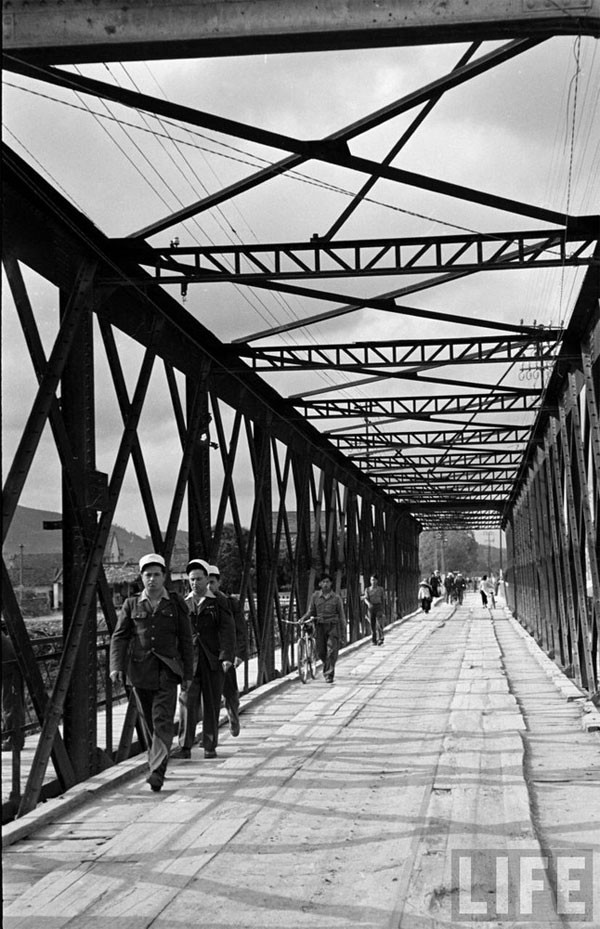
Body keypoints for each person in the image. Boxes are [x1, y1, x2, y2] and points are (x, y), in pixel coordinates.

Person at [109, 553, 194, 792]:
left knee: (162, 720)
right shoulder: (132, 604)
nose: (152, 579)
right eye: (148, 575)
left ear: (164, 577)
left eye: (157, 574)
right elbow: (120, 636)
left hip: (167, 670)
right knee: (148, 722)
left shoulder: (175, 604)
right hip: (140, 671)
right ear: (141, 577)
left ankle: (157, 771)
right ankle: (156, 760)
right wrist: (116, 667)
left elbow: (186, 640)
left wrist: (188, 674)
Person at [173, 559, 235, 759]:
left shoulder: (218, 602)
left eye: (199, 579)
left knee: (211, 703)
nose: (195, 583)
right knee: (186, 703)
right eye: (191, 579)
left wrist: (226, 656)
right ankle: (184, 746)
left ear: (207, 579)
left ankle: (209, 745)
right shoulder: (184, 603)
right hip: (190, 662)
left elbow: (227, 630)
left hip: (212, 660)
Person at [207, 564, 248, 738]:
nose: (208, 587)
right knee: (208, 694)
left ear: (219, 582)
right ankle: (210, 734)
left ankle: (233, 715)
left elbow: (240, 630)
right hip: (206, 654)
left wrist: (239, 654)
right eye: (205, 582)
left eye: (212, 582)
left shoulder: (229, 603)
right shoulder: (194, 602)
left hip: (226, 653)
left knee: (229, 691)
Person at [299, 573, 345, 683]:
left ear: (331, 584)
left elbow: (342, 615)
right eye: (323, 582)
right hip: (319, 626)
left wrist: (343, 632)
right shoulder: (315, 596)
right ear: (320, 584)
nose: (325, 584)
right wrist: (303, 618)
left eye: (327, 582)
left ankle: (329, 674)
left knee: (331, 650)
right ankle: (327, 666)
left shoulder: (336, 598)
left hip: (332, 626)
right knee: (321, 652)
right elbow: (311, 611)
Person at [1, 629, 25, 753]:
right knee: (10, 703)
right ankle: (12, 737)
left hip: (8, 666)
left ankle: (13, 739)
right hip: (9, 664)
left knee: (10, 704)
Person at [363, 574, 385, 645]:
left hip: (378, 607)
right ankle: (374, 639)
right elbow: (365, 598)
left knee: (379, 623)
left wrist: (383, 608)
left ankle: (380, 638)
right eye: (372, 580)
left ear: (377, 580)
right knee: (372, 624)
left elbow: (383, 599)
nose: (373, 581)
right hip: (371, 608)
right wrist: (368, 604)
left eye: (374, 580)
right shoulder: (367, 589)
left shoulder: (381, 589)